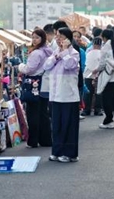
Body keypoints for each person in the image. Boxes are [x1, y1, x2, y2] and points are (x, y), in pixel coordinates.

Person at [44, 27, 81, 163]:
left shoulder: (74, 53)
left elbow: (69, 64)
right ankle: (57, 151)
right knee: (57, 125)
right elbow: (46, 65)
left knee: (68, 126)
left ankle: (70, 153)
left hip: (68, 96)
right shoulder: (55, 52)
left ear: (67, 38)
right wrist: (57, 56)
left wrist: (64, 52)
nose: (57, 39)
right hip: (55, 95)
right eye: (56, 36)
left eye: (60, 37)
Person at [18, 28, 53, 148]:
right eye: (33, 37)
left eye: (37, 37)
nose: (34, 40)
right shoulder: (48, 51)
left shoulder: (36, 53)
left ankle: (33, 140)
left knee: (32, 113)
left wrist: (20, 66)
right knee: (43, 112)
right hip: (44, 84)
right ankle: (46, 139)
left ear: (42, 38)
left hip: (34, 83)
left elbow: (29, 69)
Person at [81, 29, 104, 117]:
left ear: (93, 44)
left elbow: (86, 64)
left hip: (88, 74)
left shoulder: (88, 52)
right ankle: (98, 109)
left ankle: (86, 110)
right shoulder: (102, 53)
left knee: (88, 93)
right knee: (98, 92)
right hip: (99, 75)